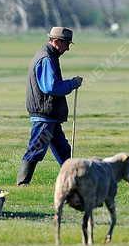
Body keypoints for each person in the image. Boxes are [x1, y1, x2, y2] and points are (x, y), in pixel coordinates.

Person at [17, 26, 83, 185]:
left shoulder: (49, 56)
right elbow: (51, 87)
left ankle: (73, 181)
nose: (67, 48)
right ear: (56, 41)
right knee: (36, 149)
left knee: (63, 150)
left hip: (50, 116)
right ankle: (22, 183)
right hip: (44, 115)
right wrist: (72, 84)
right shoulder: (46, 58)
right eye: (66, 43)